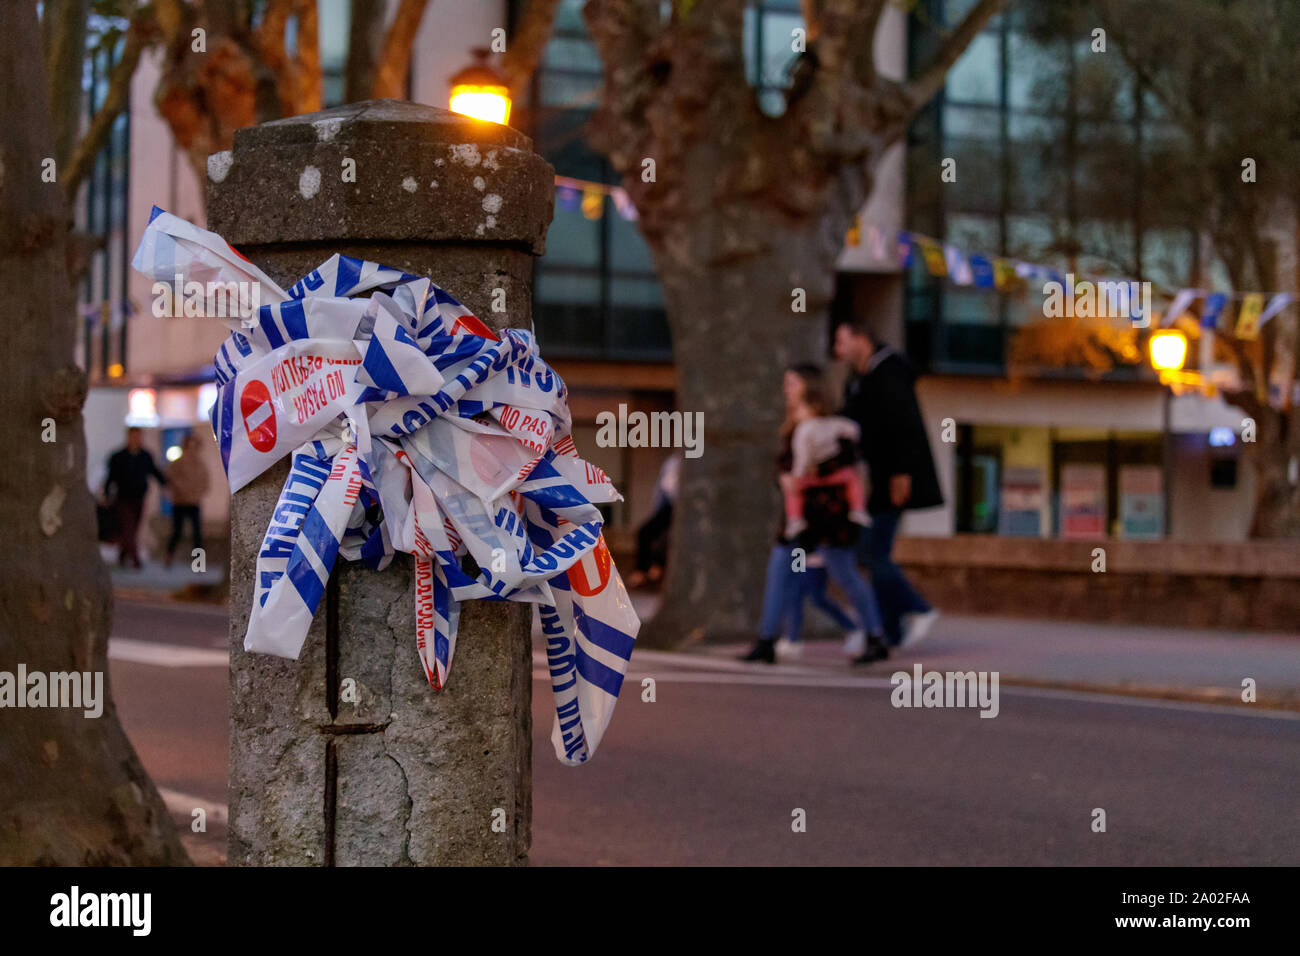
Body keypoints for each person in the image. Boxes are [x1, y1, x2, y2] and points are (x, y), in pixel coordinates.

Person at [741, 364, 889, 665]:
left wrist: (809, 475)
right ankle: (767, 640)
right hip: (797, 513)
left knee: (844, 573)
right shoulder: (792, 427)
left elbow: (849, 464)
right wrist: (784, 478)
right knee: (780, 569)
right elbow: (784, 468)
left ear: (810, 387)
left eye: (792, 383)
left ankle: (876, 637)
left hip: (829, 512)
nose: (786, 389)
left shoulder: (835, 427)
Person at [834, 320, 943, 650]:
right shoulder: (862, 380)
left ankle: (919, 609)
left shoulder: (889, 374)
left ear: (861, 339)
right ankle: (889, 632)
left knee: (872, 552)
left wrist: (901, 474)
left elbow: (903, 425)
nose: (837, 351)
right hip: (876, 479)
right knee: (873, 553)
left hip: (890, 479)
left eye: (842, 341)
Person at [103, 427, 167, 569]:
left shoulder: (145, 456)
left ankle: (123, 555)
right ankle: (135, 559)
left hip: (139, 498)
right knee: (128, 527)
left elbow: (154, 472)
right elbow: (111, 477)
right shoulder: (119, 457)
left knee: (134, 527)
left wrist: (166, 485)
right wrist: (107, 494)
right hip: (123, 498)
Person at [628, 453, 680, 589]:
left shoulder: (687, 462)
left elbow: (670, 486)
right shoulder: (672, 460)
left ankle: (656, 567)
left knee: (669, 538)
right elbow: (662, 487)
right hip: (668, 506)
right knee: (644, 533)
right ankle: (644, 570)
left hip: (680, 506)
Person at [164, 432, 210, 568]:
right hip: (179, 503)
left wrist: (197, 493)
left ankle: (198, 563)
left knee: (197, 534)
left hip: (194, 503)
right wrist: (180, 489)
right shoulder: (177, 464)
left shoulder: (201, 465)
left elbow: (205, 482)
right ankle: (169, 555)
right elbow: (170, 478)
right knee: (177, 532)